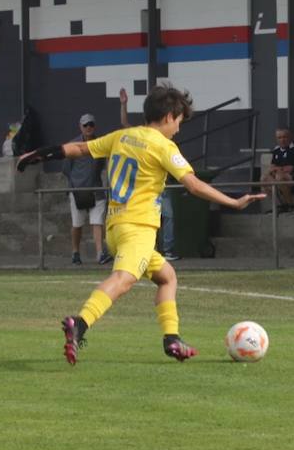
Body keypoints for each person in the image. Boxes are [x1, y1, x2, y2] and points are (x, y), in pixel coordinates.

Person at [19, 83, 265, 365]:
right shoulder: (163, 146)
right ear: (170, 116)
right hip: (138, 229)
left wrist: (40, 153)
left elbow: (79, 148)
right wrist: (234, 202)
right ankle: (80, 323)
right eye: (179, 122)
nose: (179, 129)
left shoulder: (122, 136)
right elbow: (194, 185)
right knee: (123, 280)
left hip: (116, 227)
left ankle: (171, 339)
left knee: (167, 276)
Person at [121, 87, 178, 261]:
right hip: (145, 189)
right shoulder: (139, 136)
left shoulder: (165, 141)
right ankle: (148, 249)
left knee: (167, 216)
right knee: (147, 219)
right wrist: (123, 104)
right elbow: (125, 125)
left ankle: (166, 250)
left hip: (161, 186)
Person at [65, 113, 109, 265]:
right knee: (77, 224)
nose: (88, 128)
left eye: (91, 124)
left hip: (96, 188)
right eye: (85, 125)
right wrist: (73, 187)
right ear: (80, 127)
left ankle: (100, 253)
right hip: (78, 190)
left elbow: (103, 165)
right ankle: (75, 252)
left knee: (97, 221)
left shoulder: (101, 143)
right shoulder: (73, 145)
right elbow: (66, 169)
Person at [265, 127, 294, 213]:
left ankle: (291, 206)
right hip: (286, 180)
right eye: (279, 137)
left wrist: (277, 169)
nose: (282, 140)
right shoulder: (276, 150)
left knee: (279, 177)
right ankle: (280, 205)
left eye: (285, 137)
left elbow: (288, 169)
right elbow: (271, 168)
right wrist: (276, 169)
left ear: (290, 137)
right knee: (264, 179)